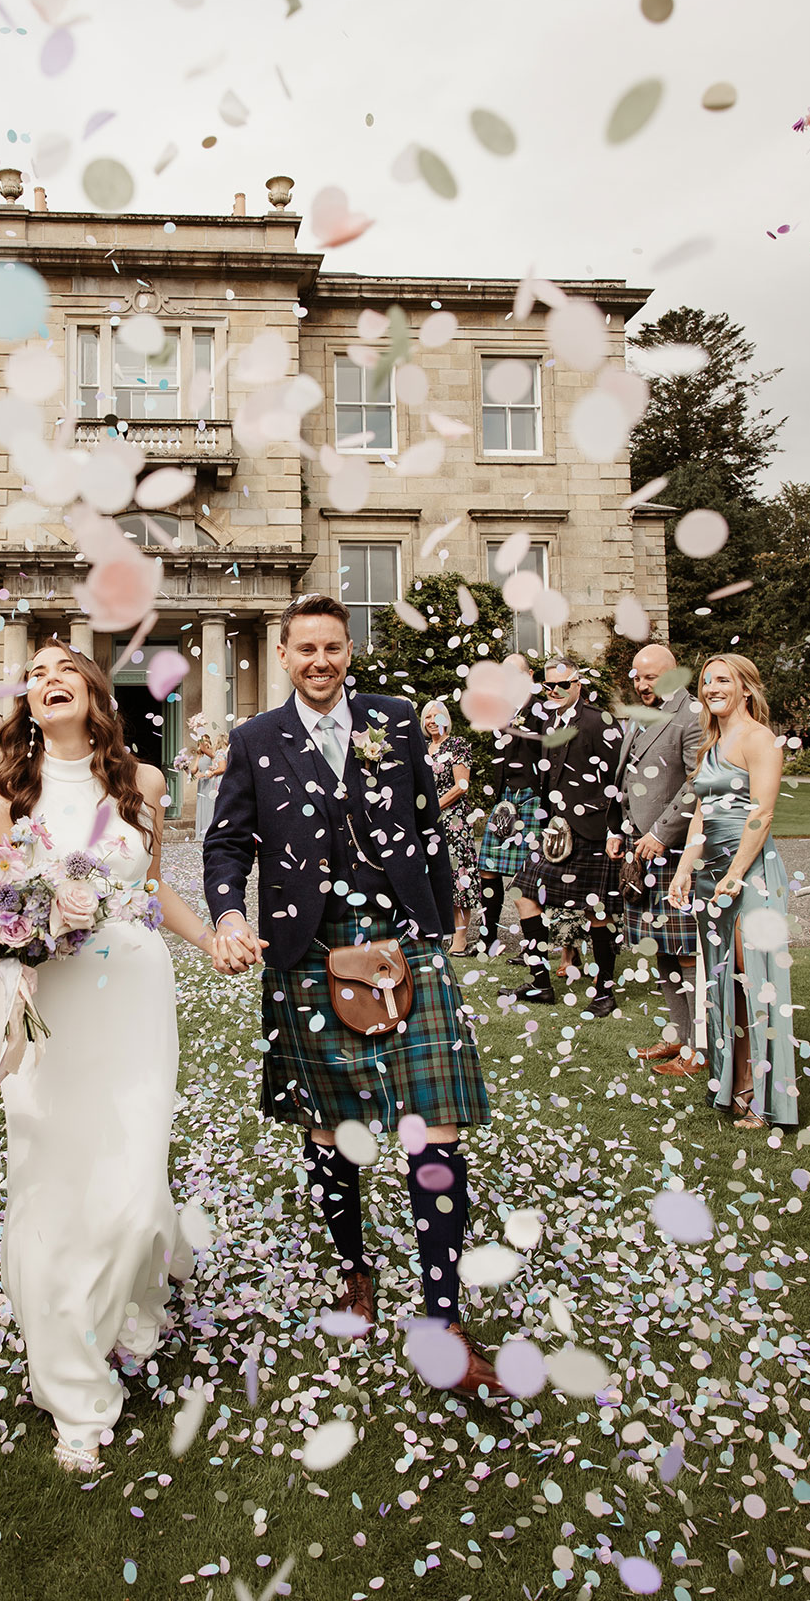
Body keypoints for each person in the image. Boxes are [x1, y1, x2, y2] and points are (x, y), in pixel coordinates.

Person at [204, 594, 499, 1397]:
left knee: (433, 1133)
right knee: (331, 1132)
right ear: (285, 656)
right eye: (305, 650)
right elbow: (227, 840)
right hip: (306, 947)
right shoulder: (255, 740)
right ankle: (354, 1270)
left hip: (404, 942)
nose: (320, 662)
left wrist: (441, 921)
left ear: (349, 652)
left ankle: (443, 1322)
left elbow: (426, 827)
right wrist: (229, 913)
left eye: (333, 648)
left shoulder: (395, 719)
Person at [0, 641, 215, 1473]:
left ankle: (122, 1308)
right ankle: (73, 1388)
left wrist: (211, 936)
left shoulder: (141, 785)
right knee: (53, 1183)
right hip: (49, 1006)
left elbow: (151, 889)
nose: (47, 680)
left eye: (62, 668)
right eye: (33, 674)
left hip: (134, 995)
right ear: (27, 702)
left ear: (93, 689)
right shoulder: (6, 798)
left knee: (138, 1190)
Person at [667, 655, 798, 1129]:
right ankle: (732, 1082)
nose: (712, 688)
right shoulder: (711, 742)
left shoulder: (760, 738)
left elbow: (761, 813)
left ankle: (763, 1098)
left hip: (751, 874)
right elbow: (701, 814)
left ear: (746, 688)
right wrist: (684, 868)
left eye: (723, 680)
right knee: (723, 982)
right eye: (706, 682)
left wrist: (738, 871)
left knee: (753, 979)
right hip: (710, 874)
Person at [607, 645, 703, 1078]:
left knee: (686, 951)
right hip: (638, 848)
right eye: (638, 678)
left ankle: (699, 1049)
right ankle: (678, 1036)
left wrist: (661, 834)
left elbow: (698, 783)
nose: (642, 686)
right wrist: (618, 831)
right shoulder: (639, 714)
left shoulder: (692, 714)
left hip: (676, 852)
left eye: (651, 678)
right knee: (660, 946)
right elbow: (624, 779)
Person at [511, 656, 624, 1016]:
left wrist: (614, 829)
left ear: (578, 684)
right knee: (524, 894)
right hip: (555, 831)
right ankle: (540, 983)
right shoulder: (547, 719)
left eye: (563, 684)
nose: (555, 690)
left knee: (597, 911)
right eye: (549, 685)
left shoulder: (598, 720)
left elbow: (617, 780)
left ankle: (605, 989)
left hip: (591, 831)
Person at [476, 654, 542, 957]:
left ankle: (534, 944)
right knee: (487, 869)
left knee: (529, 875)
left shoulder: (540, 710)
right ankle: (488, 937)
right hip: (506, 798)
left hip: (532, 796)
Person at [421, 700, 482, 956]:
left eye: (436, 716)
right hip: (429, 822)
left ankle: (461, 939)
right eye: (427, 717)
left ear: (446, 718)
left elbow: (462, 785)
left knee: (458, 876)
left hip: (453, 820)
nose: (432, 721)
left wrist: (434, 807)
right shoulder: (423, 748)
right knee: (435, 876)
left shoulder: (457, 745)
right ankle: (442, 932)